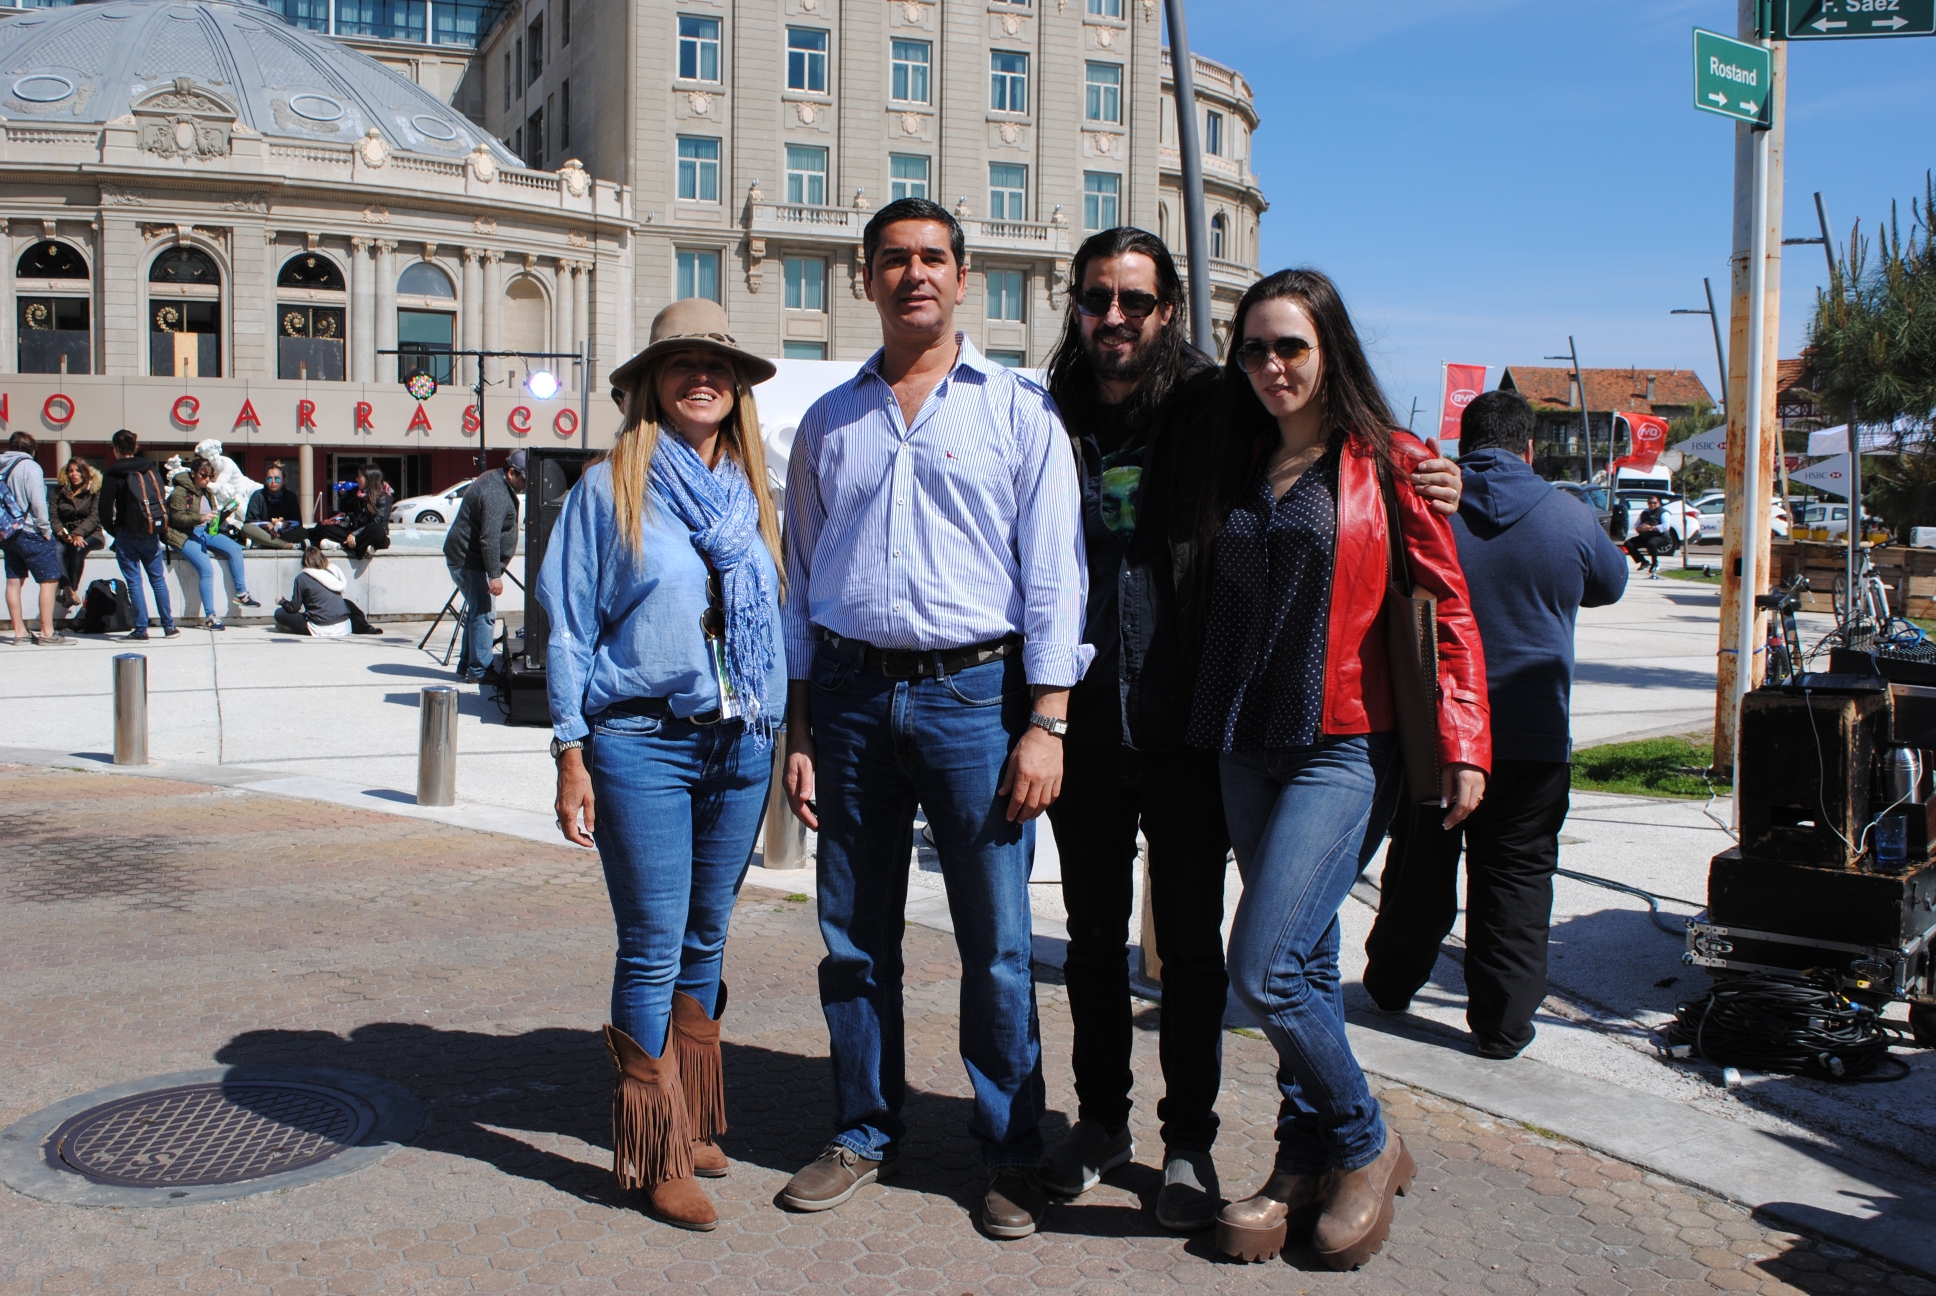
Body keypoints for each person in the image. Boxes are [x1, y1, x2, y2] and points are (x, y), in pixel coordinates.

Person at [1037, 228, 1470, 1230]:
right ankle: (1137, 1130)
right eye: (1096, 298)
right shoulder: (1043, 410)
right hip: (1109, 723)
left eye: (1134, 301)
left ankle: (1206, 1140)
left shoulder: (1216, 402)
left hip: (1210, 727)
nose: (1113, 317)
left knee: (1218, 954)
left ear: (1170, 310)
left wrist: (1466, 483)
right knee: (1100, 943)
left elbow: (1376, 483)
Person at [778, 197, 1088, 1240]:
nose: (916, 275)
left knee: (997, 942)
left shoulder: (1015, 412)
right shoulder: (829, 422)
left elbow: (1054, 576)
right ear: (865, 279)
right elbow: (801, 581)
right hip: (855, 700)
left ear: (964, 279)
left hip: (977, 699)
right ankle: (863, 1130)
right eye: (895, 260)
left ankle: (1007, 1154)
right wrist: (803, 727)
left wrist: (1046, 719)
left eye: (935, 259)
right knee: (853, 940)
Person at [1181, 268, 1489, 1270]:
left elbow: (1444, 610)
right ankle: (1298, 1158)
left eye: (1291, 348)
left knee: (1262, 964)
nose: (1272, 367)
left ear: (1328, 353)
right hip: (1241, 738)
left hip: (1344, 742)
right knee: (1304, 963)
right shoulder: (1237, 459)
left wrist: (1465, 745)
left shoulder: (1391, 463)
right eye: (1256, 348)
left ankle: (1362, 1136)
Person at [539, 298, 788, 1232]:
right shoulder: (610, 490)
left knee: (706, 940)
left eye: (718, 366)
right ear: (650, 380)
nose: (702, 378)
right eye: (682, 363)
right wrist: (571, 752)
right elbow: (567, 627)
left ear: (737, 388)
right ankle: (651, 1151)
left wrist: (784, 734)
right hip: (640, 739)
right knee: (650, 947)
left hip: (740, 739)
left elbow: (780, 622)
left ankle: (689, 1115)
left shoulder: (754, 494)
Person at [1364, 391, 1628, 1060]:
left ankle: (1392, 985)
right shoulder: (1567, 515)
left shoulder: (1430, 505)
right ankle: (1503, 1023)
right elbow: (1611, 583)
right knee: (1517, 875)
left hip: (1440, 728)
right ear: (1531, 447)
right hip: (1535, 733)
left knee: (1421, 862)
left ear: (1462, 439)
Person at [443, 449, 527, 682]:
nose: (527, 485)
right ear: (511, 473)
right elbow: (489, 538)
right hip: (470, 561)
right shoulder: (495, 492)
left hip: (467, 558)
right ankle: (480, 670)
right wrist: (494, 575)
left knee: (477, 611)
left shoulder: (496, 481)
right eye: (525, 479)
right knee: (484, 613)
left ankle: (467, 665)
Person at [98, 429, 177, 641]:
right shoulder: (150, 469)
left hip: (126, 532)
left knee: (134, 582)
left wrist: (113, 529)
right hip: (151, 531)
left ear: (115, 449)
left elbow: (104, 509)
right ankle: (169, 627)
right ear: (135, 447)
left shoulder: (113, 474)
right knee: (158, 580)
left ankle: (141, 629)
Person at [167, 454, 260, 630]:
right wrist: (200, 517)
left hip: (205, 531)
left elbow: (212, 516)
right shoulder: (180, 492)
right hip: (184, 534)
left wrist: (224, 513)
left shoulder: (207, 491)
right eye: (203, 475)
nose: (207, 479)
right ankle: (210, 616)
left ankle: (242, 594)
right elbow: (177, 518)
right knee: (207, 570)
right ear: (193, 473)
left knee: (234, 549)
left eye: (210, 475)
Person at [1, 431, 71, 645]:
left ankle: (19, 632)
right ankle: (47, 632)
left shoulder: (2, 465)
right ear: (32, 449)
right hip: (30, 530)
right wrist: (46, 530)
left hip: (7, 532)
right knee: (49, 581)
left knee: (14, 581)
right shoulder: (30, 467)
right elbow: (39, 503)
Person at [52, 458, 105, 608]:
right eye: (71, 471)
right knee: (56, 550)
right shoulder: (59, 491)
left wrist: (78, 533)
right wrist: (62, 533)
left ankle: (73, 589)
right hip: (65, 533)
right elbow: (54, 518)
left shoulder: (95, 490)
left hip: (91, 534)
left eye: (78, 470)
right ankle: (69, 591)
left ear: (85, 472)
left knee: (77, 548)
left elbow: (95, 517)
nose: (74, 474)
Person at [310, 466, 392, 557]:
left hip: (372, 534)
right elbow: (344, 512)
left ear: (369, 479)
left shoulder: (383, 498)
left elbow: (377, 522)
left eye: (359, 477)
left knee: (377, 530)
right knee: (324, 529)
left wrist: (354, 534)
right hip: (357, 534)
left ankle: (342, 545)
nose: (356, 479)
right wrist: (343, 495)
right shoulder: (359, 496)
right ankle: (363, 546)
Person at [274, 546, 353, 637]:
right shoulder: (332, 573)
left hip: (320, 627)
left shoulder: (302, 578)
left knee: (279, 613)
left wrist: (282, 601)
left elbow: (294, 607)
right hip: (344, 625)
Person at [241, 462, 303, 548]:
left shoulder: (290, 496)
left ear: (283, 480)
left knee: (303, 531)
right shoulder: (258, 495)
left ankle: (265, 543)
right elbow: (250, 521)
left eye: (277, 479)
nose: (273, 482)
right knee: (246, 528)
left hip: (283, 533)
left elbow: (297, 522)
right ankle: (285, 545)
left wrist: (286, 524)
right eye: (269, 479)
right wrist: (267, 525)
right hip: (264, 532)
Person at [1626, 495, 1668, 578]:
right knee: (1628, 544)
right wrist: (1640, 528)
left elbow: (1666, 526)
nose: (1652, 505)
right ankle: (1643, 561)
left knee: (1651, 543)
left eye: (1654, 503)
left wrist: (1651, 528)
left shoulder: (1664, 512)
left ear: (1659, 503)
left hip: (1661, 536)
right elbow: (1636, 525)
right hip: (1646, 536)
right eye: (1650, 503)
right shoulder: (1645, 512)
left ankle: (1655, 563)